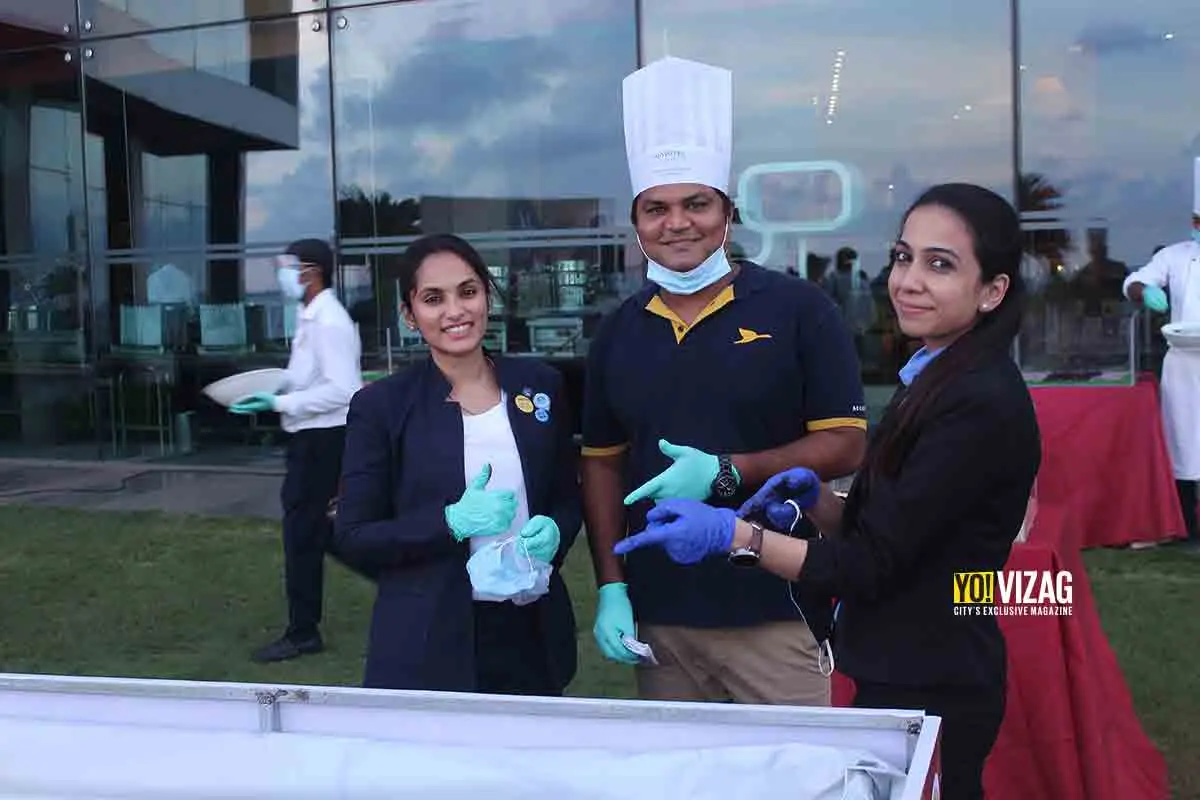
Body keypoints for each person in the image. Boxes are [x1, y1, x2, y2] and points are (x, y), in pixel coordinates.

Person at [614, 183, 1041, 800]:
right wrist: (818, 500)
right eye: (903, 257)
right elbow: (889, 529)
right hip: (904, 666)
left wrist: (733, 534)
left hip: (933, 676)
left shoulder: (977, 402)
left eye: (939, 264)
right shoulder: (935, 376)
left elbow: (869, 566)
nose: (908, 280)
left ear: (992, 291)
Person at [581, 56, 868, 707]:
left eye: (696, 204)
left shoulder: (799, 311)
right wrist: (611, 585)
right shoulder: (618, 331)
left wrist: (728, 470)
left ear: (728, 213)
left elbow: (847, 443)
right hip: (661, 619)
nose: (677, 223)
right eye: (656, 208)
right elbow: (600, 464)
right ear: (636, 224)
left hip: (775, 609)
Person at [331, 233, 582, 694]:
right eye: (433, 299)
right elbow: (353, 535)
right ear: (409, 314)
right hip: (429, 639)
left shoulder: (540, 384)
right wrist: (449, 523)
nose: (455, 311)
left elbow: (567, 495)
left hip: (532, 632)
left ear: (487, 294)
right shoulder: (382, 407)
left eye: (467, 291)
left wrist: (557, 534)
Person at [232, 238, 363, 663]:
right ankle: (406, 582)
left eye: (288, 266)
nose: (282, 274)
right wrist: (269, 390)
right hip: (309, 439)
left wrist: (280, 403)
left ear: (311, 271)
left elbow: (344, 391)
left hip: (325, 440)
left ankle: (303, 632)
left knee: (304, 533)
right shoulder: (308, 316)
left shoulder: (330, 321)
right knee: (317, 532)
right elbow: (302, 376)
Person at [1122, 157, 1200, 553]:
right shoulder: (1174, 255)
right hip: (1184, 363)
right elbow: (1135, 281)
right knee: (1183, 442)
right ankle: (1186, 527)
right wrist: (1144, 293)